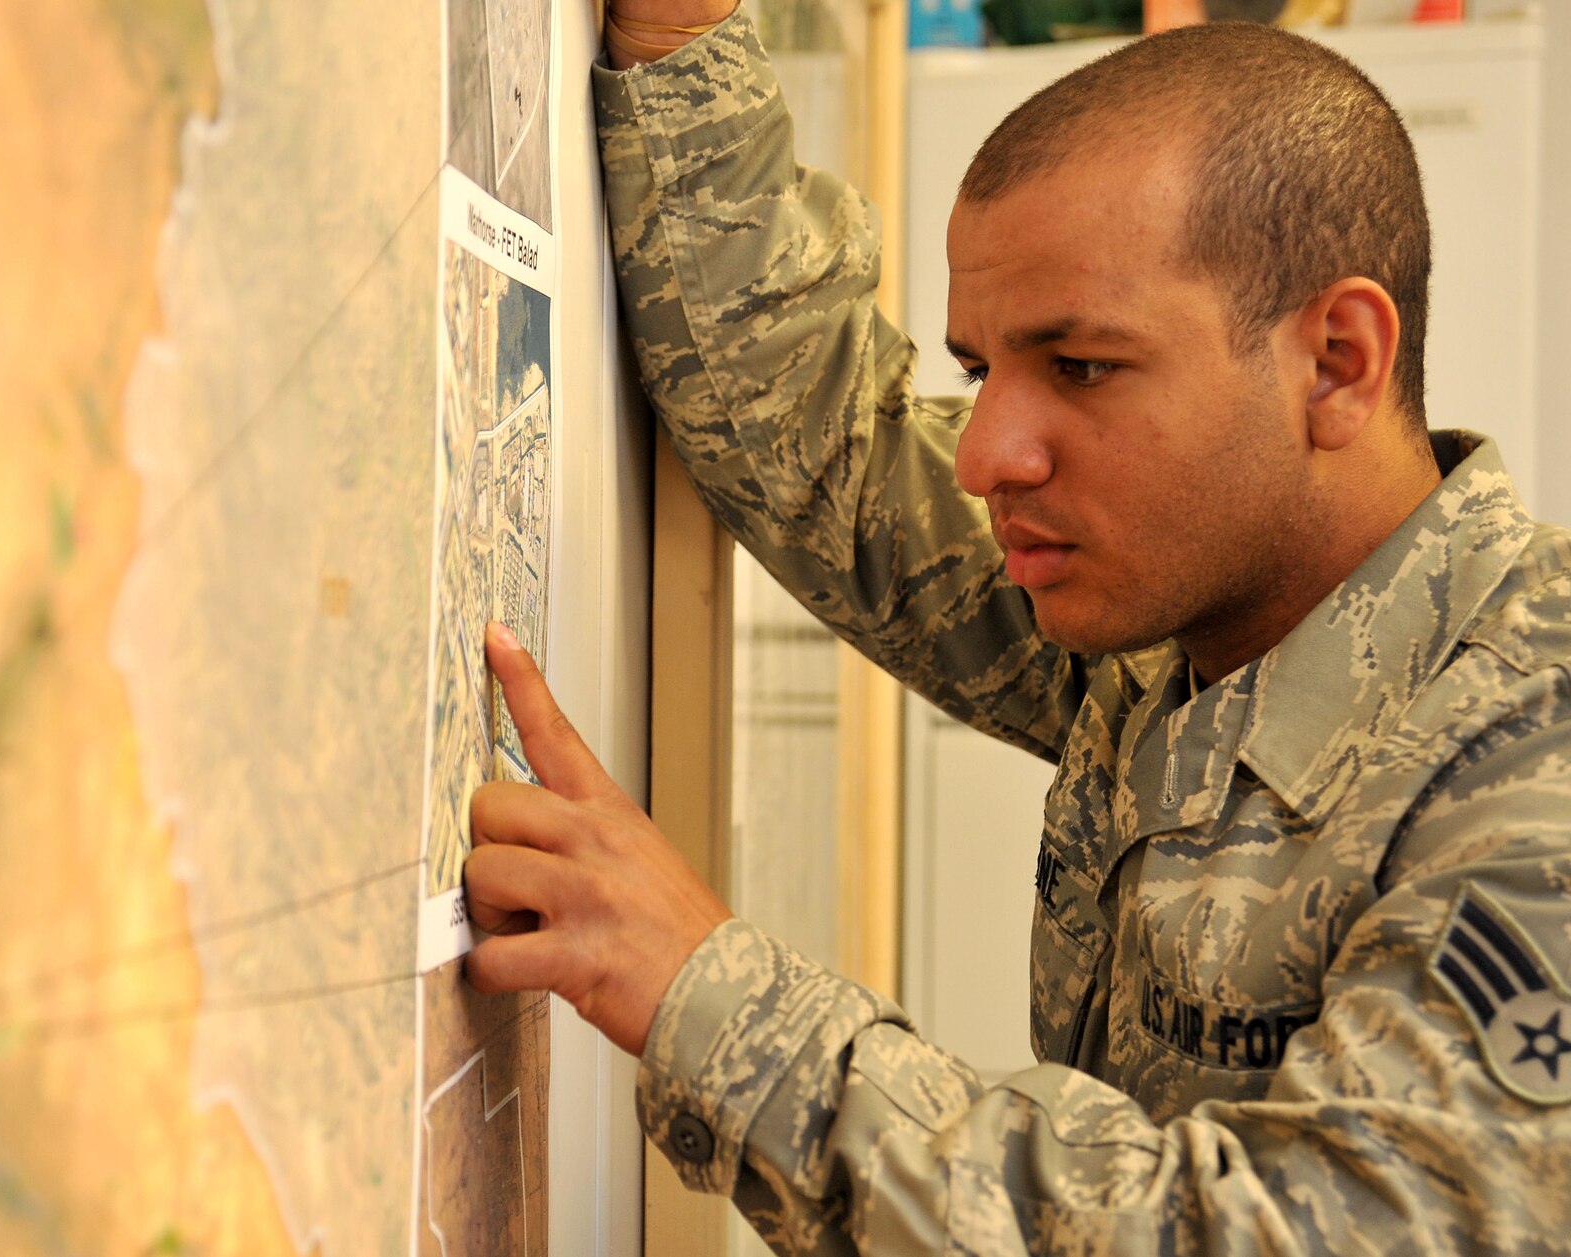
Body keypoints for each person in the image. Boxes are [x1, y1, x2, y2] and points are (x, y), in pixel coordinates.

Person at [463, 2, 1571, 1251]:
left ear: (1334, 361)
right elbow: (830, 444)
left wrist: (702, 990)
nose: (989, 453)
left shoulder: (1529, 754)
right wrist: (678, 39)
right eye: (979, 371)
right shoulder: (1173, 603)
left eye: (1081, 368)